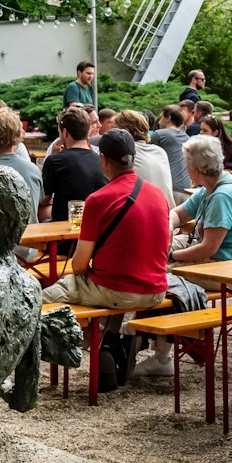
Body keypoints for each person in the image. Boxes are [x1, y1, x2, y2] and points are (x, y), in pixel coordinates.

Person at [40, 129, 172, 312]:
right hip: (157, 290)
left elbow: (78, 266)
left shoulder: (98, 200)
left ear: (103, 159)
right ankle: (110, 338)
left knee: (42, 298)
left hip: (117, 292)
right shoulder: (157, 194)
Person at [171, 135, 232, 264]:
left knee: (159, 274)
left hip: (230, 268)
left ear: (196, 169)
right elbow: (178, 214)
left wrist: (171, 256)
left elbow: (208, 248)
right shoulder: (211, 187)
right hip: (215, 259)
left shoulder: (222, 196)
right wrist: (168, 227)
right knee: (154, 250)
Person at [39, 106, 107, 223]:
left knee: (40, 209)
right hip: (97, 225)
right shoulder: (102, 161)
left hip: (65, 229)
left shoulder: (55, 161)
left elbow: (43, 199)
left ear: (65, 132)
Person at [111, 109, 176, 204]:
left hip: (145, 213)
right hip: (168, 213)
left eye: (113, 129)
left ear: (123, 132)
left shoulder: (125, 153)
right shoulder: (160, 151)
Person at [150, 105, 191, 186]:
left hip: (169, 186)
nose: (159, 122)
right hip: (186, 186)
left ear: (168, 118)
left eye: (161, 118)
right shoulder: (187, 137)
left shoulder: (160, 134)